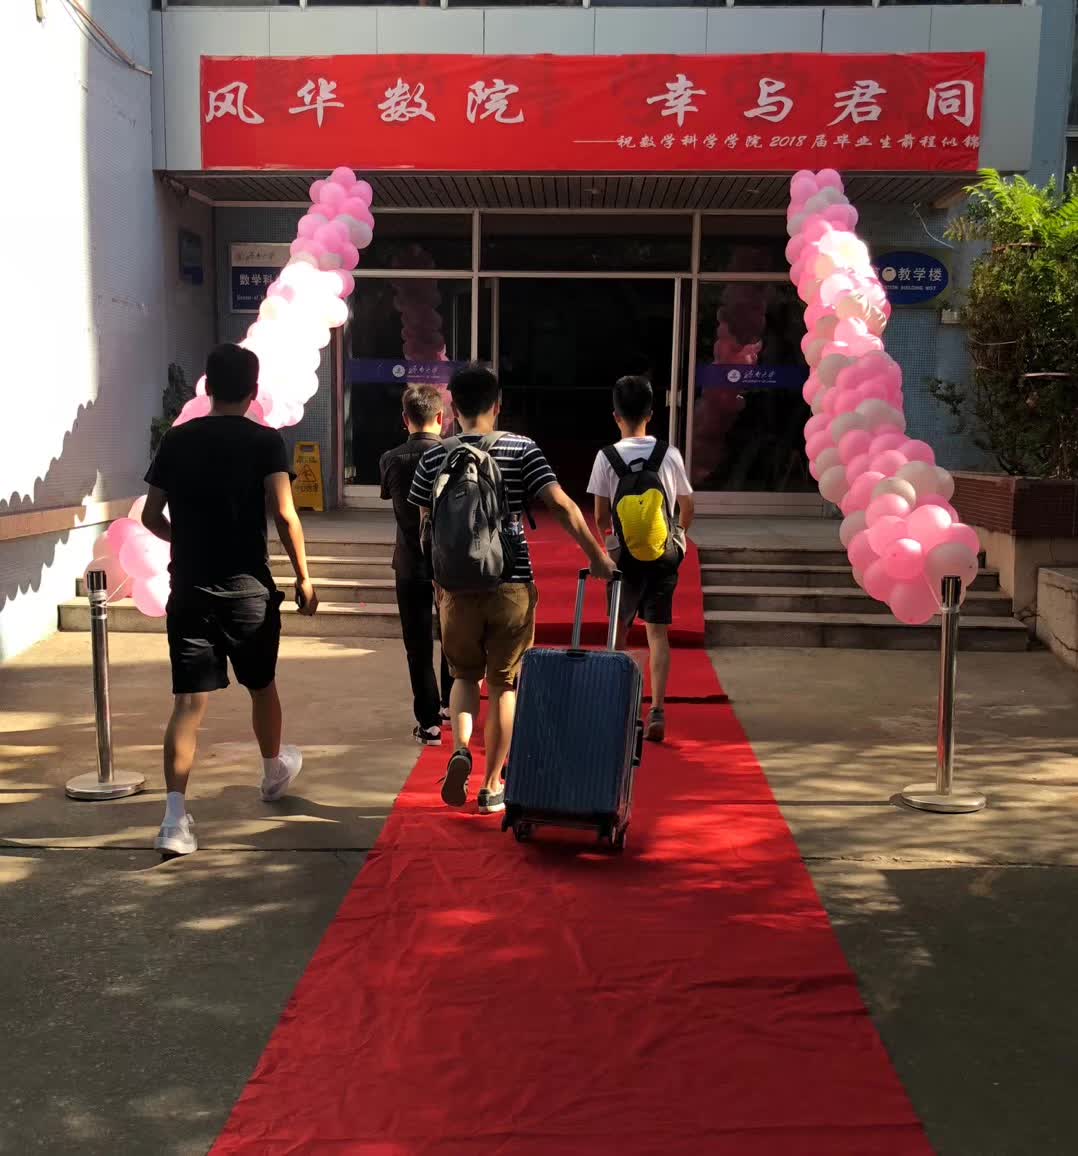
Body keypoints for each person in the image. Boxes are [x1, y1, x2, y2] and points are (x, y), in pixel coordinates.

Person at [409, 364, 615, 816]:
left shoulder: (433, 456)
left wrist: (440, 580)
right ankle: (492, 785)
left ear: (452, 408)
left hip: (455, 588)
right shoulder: (522, 449)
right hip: (511, 583)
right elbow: (561, 505)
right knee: (504, 684)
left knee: (464, 677)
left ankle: (460, 749)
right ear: (497, 405)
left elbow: (425, 526)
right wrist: (597, 556)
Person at [141, 343, 319, 858]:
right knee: (262, 687)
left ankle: (174, 819)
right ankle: (272, 772)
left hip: (190, 590)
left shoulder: (177, 439)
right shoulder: (265, 441)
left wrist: (186, 541)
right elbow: (284, 513)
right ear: (253, 390)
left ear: (209, 386)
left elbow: (150, 516)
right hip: (249, 593)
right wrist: (304, 577)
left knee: (187, 704)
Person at [588, 374, 694, 744]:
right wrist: (678, 536)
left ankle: (617, 705)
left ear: (615, 416)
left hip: (624, 560)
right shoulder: (669, 454)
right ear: (651, 413)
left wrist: (613, 543)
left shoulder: (606, 457)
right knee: (657, 633)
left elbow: (600, 516)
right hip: (663, 556)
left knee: (618, 631)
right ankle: (657, 710)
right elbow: (687, 506)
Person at [379, 385, 453, 746]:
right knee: (453, 635)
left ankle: (428, 722)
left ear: (405, 419)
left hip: (409, 562)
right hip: (449, 562)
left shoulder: (391, 459)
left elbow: (392, 499)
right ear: (441, 417)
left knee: (418, 645)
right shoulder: (454, 455)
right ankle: (451, 703)